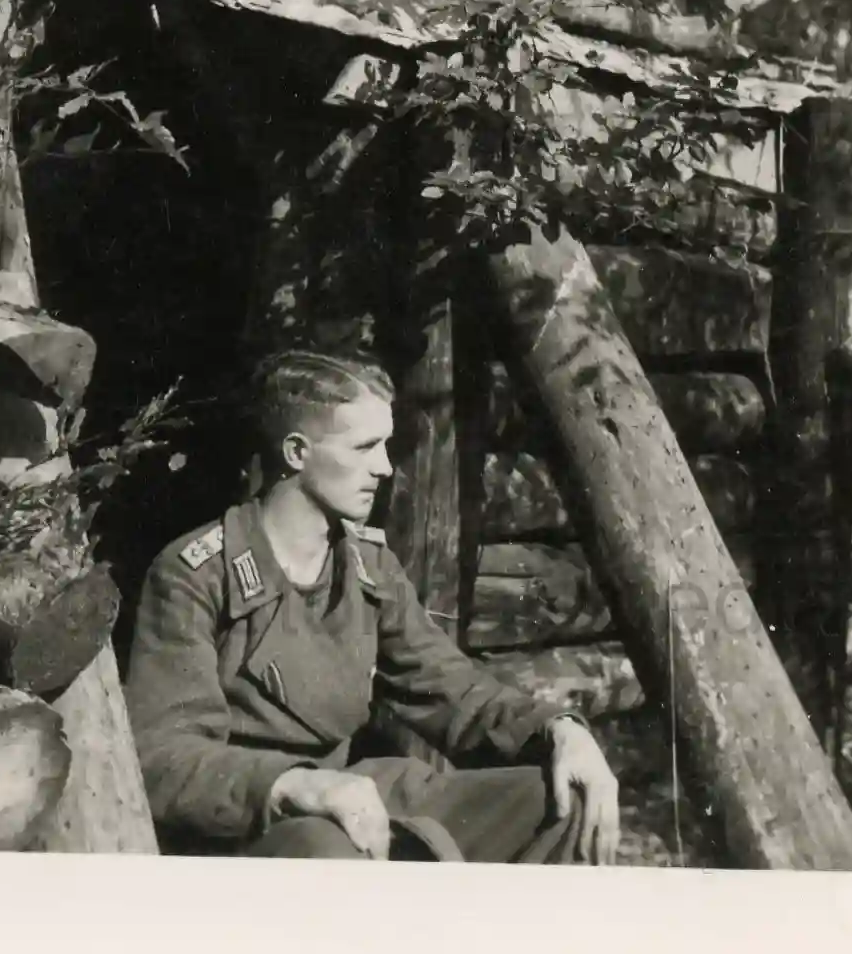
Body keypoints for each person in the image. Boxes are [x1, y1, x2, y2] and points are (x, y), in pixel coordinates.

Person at [125, 350, 624, 865]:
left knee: (565, 800)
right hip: (254, 830)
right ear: (296, 452)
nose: (385, 467)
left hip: (353, 801)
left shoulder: (368, 566)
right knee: (324, 850)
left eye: (385, 446)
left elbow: (454, 690)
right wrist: (295, 784)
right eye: (364, 447)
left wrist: (560, 728)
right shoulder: (198, 574)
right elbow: (163, 756)